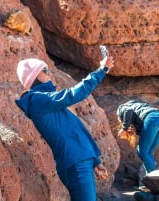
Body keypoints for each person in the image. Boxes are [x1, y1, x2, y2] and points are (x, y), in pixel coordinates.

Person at [15, 51, 114, 201]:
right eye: (45, 70)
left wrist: (94, 161)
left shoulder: (48, 101)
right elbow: (72, 95)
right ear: (34, 76)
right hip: (75, 164)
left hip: (80, 161)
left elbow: (74, 132)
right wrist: (101, 71)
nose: (49, 74)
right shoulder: (37, 100)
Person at [117, 100, 159, 173]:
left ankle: (152, 177)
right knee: (149, 152)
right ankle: (154, 177)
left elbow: (128, 111)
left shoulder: (122, 108)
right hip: (156, 116)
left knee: (142, 152)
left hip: (152, 119)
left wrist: (124, 129)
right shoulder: (138, 106)